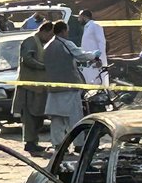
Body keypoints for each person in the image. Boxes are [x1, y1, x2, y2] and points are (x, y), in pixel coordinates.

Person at [43, 20, 100, 149]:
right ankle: (78, 144)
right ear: (63, 31)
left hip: (53, 88)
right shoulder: (66, 43)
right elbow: (80, 55)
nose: (67, 33)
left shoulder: (47, 46)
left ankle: (58, 144)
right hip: (69, 86)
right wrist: (94, 55)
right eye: (67, 30)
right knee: (75, 116)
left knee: (57, 118)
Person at [12, 21, 53, 154]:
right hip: (30, 87)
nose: (49, 38)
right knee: (30, 116)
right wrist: (43, 66)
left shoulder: (41, 43)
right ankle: (29, 143)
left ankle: (33, 141)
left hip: (39, 87)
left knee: (38, 116)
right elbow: (27, 59)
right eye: (49, 35)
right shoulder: (30, 41)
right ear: (44, 31)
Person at [78, 9, 108, 84]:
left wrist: (99, 59)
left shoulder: (95, 25)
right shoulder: (87, 27)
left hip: (96, 61)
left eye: (79, 17)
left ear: (84, 16)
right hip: (89, 61)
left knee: (98, 82)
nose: (78, 20)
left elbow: (101, 42)